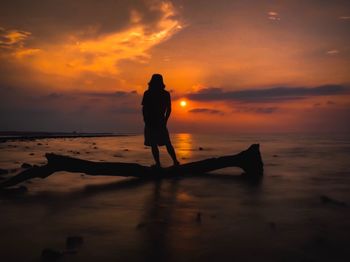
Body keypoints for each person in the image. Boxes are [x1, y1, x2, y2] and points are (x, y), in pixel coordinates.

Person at [142, 74, 179, 168]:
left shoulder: (148, 93)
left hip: (151, 121)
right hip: (159, 121)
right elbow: (169, 109)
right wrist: (165, 120)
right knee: (167, 143)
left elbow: (144, 109)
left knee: (154, 144)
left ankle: (158, 164)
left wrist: (145, 119)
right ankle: (175, 161)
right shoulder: (165, 94)